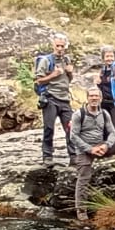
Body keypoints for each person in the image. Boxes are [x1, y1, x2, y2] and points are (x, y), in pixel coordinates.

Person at [69, 86, 115, 222]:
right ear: (87, 98)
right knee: (83, 179)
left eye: (96, 96)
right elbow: (73, 137)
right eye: (91, 96)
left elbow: (112, 132)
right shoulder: (78, 114)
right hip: (84, 151)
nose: (94, 98)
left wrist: (106, 145)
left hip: (101, 146)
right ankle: (81, 211)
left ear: (100, 98)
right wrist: (90, 149)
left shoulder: (104, 113)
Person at [34, 32, 74, 165]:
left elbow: (69, 80)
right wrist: (54, 74)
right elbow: (39, 81)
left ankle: (73, 156)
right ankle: (47, 156)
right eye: (58, 46)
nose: (60, 48)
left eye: (62, 46)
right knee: (49, 128)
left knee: (71, 128)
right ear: (53, 45)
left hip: (65, 98)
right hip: (51, 97)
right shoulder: (46, 61)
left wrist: (70, 72)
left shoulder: (67, 60)